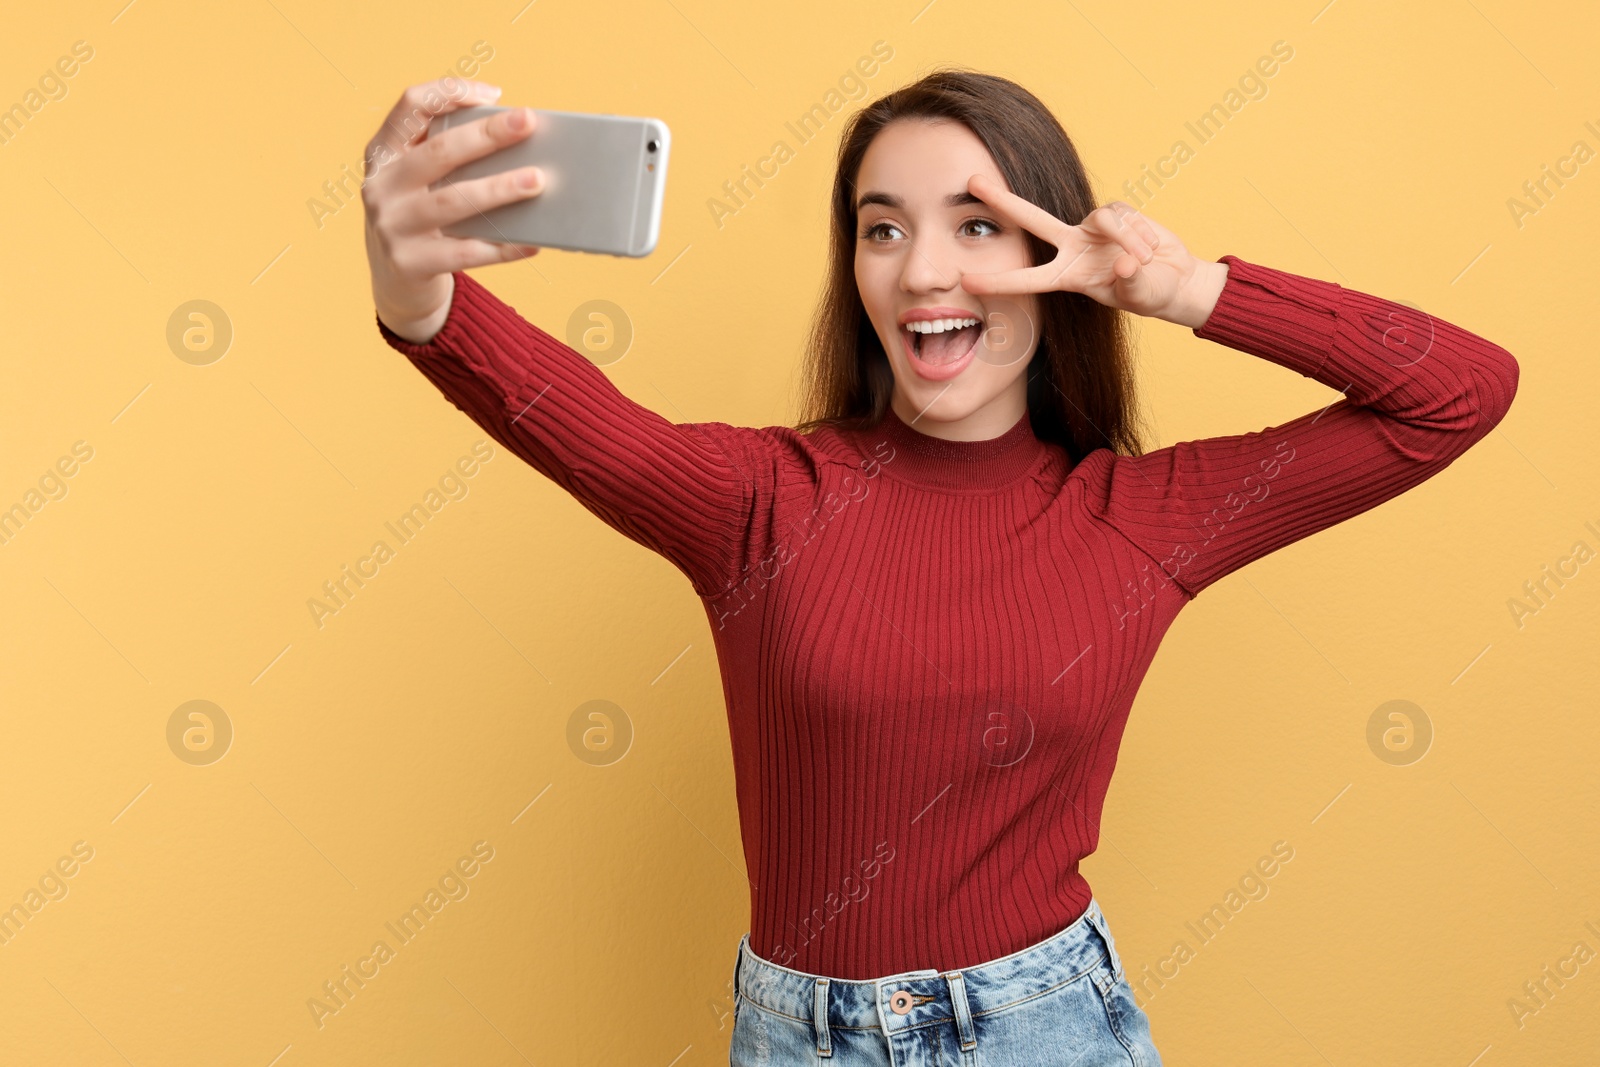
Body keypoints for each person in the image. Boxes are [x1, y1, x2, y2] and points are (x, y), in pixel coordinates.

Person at [362, 70, 1518, 1067]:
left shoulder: (1141, 516)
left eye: (975, 225)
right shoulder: (758, 505)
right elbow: (538, 396)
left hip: (1042, 1022)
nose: (923, 272)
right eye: (882, 227)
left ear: (1046, 249)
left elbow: (1458, 391)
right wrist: (413, 285)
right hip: (794, 1033)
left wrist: (1179, 289)